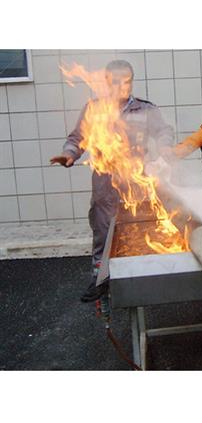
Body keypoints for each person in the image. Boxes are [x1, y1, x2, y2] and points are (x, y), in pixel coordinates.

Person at [50, 60, 174, 302]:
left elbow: (164, 131)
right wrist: (69, 154)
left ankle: (138, 277)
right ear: (107, 82)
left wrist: (164, 146)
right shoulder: (94, 109)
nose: (121, 86)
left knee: (138, 230)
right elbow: (77, 138)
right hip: (105, 183)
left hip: (137, 181)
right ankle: (100, 279)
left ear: (132, 82)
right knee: (103, 232)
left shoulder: (145, 109)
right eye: (116, 82)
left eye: (126, 81)